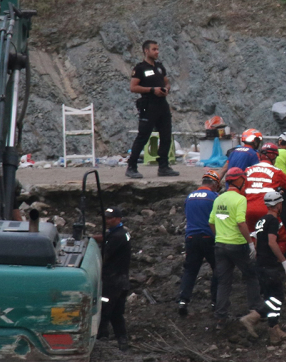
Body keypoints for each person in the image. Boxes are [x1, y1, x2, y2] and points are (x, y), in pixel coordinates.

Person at [210, 167, 265, 335]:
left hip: (220, 245)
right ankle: (254, 310)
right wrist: (250, 243)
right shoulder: (240, 199)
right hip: (237, 245)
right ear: (239, 181)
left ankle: (220, 319)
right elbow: (241, 223)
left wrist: (219, 236)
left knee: (224, 282)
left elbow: (211, 222)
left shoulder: (219, 199)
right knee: (251, 276)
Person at [126, 40, 179, 179]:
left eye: (157, 49)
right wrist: (152, 90)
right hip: (148, 105)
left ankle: (163, 166)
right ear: (146, 51)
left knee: (166, 136)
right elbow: (133, 87)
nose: (157, 52)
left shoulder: (160, 67)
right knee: (143, 136)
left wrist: (166, 89)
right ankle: (131, 166)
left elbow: (166, 82)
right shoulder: (140, 68)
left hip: (162, 104)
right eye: (154, 49)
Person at [178, 170, 221, 317]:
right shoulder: (214, 197)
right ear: (214, 184)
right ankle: (215, 302)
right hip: (209, 238)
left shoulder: (189, 197)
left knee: (190, 270)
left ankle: (183, 300)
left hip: (191, 239)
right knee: (218, 268)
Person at [254, 191, 286, 344]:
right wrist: (283, 261)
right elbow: (272, 242)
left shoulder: (261, 221)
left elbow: (257, 243)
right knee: (278, 298)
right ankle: (254, 316)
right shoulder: (273, 221)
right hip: (270, 265)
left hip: (260, 264)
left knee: (270, 297)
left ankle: (274, 330)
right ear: (278, 204)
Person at [95, 207, 132, 350]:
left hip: (113, 282)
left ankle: (100, 339)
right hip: (122, 280)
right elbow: (106, 237)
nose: (107, 221)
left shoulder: (117, 237)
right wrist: (92, 238)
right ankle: (122, 341)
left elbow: (105, 256)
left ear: (118, 219)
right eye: (106, 218)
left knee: (104, 310)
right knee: (117, 313)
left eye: (110, 218)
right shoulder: (121, 232)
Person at [244, 144, 286, 235]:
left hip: (248, 210)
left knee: (252, 237)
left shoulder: (247, 170)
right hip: (267, 210)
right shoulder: (276, 171)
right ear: (273, 156)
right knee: (278, 237)